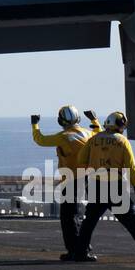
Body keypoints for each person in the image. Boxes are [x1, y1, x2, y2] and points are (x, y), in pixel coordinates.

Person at [72, 111, 135, 261]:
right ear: (120, 125)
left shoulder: (94, 140)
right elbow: (131, 166)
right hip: (115, 187)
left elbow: (81, 158)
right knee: (131, 222)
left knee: (89, 222)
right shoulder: (122, 141)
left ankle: (80, 253)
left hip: (96, 185)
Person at [31, 105, 101, 260]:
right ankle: (79, 249)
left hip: (71, 179)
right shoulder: (88, 133)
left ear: (60, 121)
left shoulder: (63, 136)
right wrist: (94, 119)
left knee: (68, 217)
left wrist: (35, 124)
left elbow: (40, 140)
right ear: (78, 119)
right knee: (78, 215)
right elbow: (99, 133)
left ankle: (77, 250)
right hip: (89, 177)